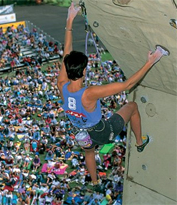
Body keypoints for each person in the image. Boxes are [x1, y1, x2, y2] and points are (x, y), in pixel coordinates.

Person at [57, 2, 169, 186]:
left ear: (68, 69)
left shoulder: (61, 85)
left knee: (89, 152)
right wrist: (152, 60)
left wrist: (70, 21)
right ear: (84, 71)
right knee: (132, 107)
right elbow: (128, 85)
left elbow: (65, 55)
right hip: (101, 131)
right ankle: (140, 142)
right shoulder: (89, 93)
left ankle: (94, 181)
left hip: (81, 132)